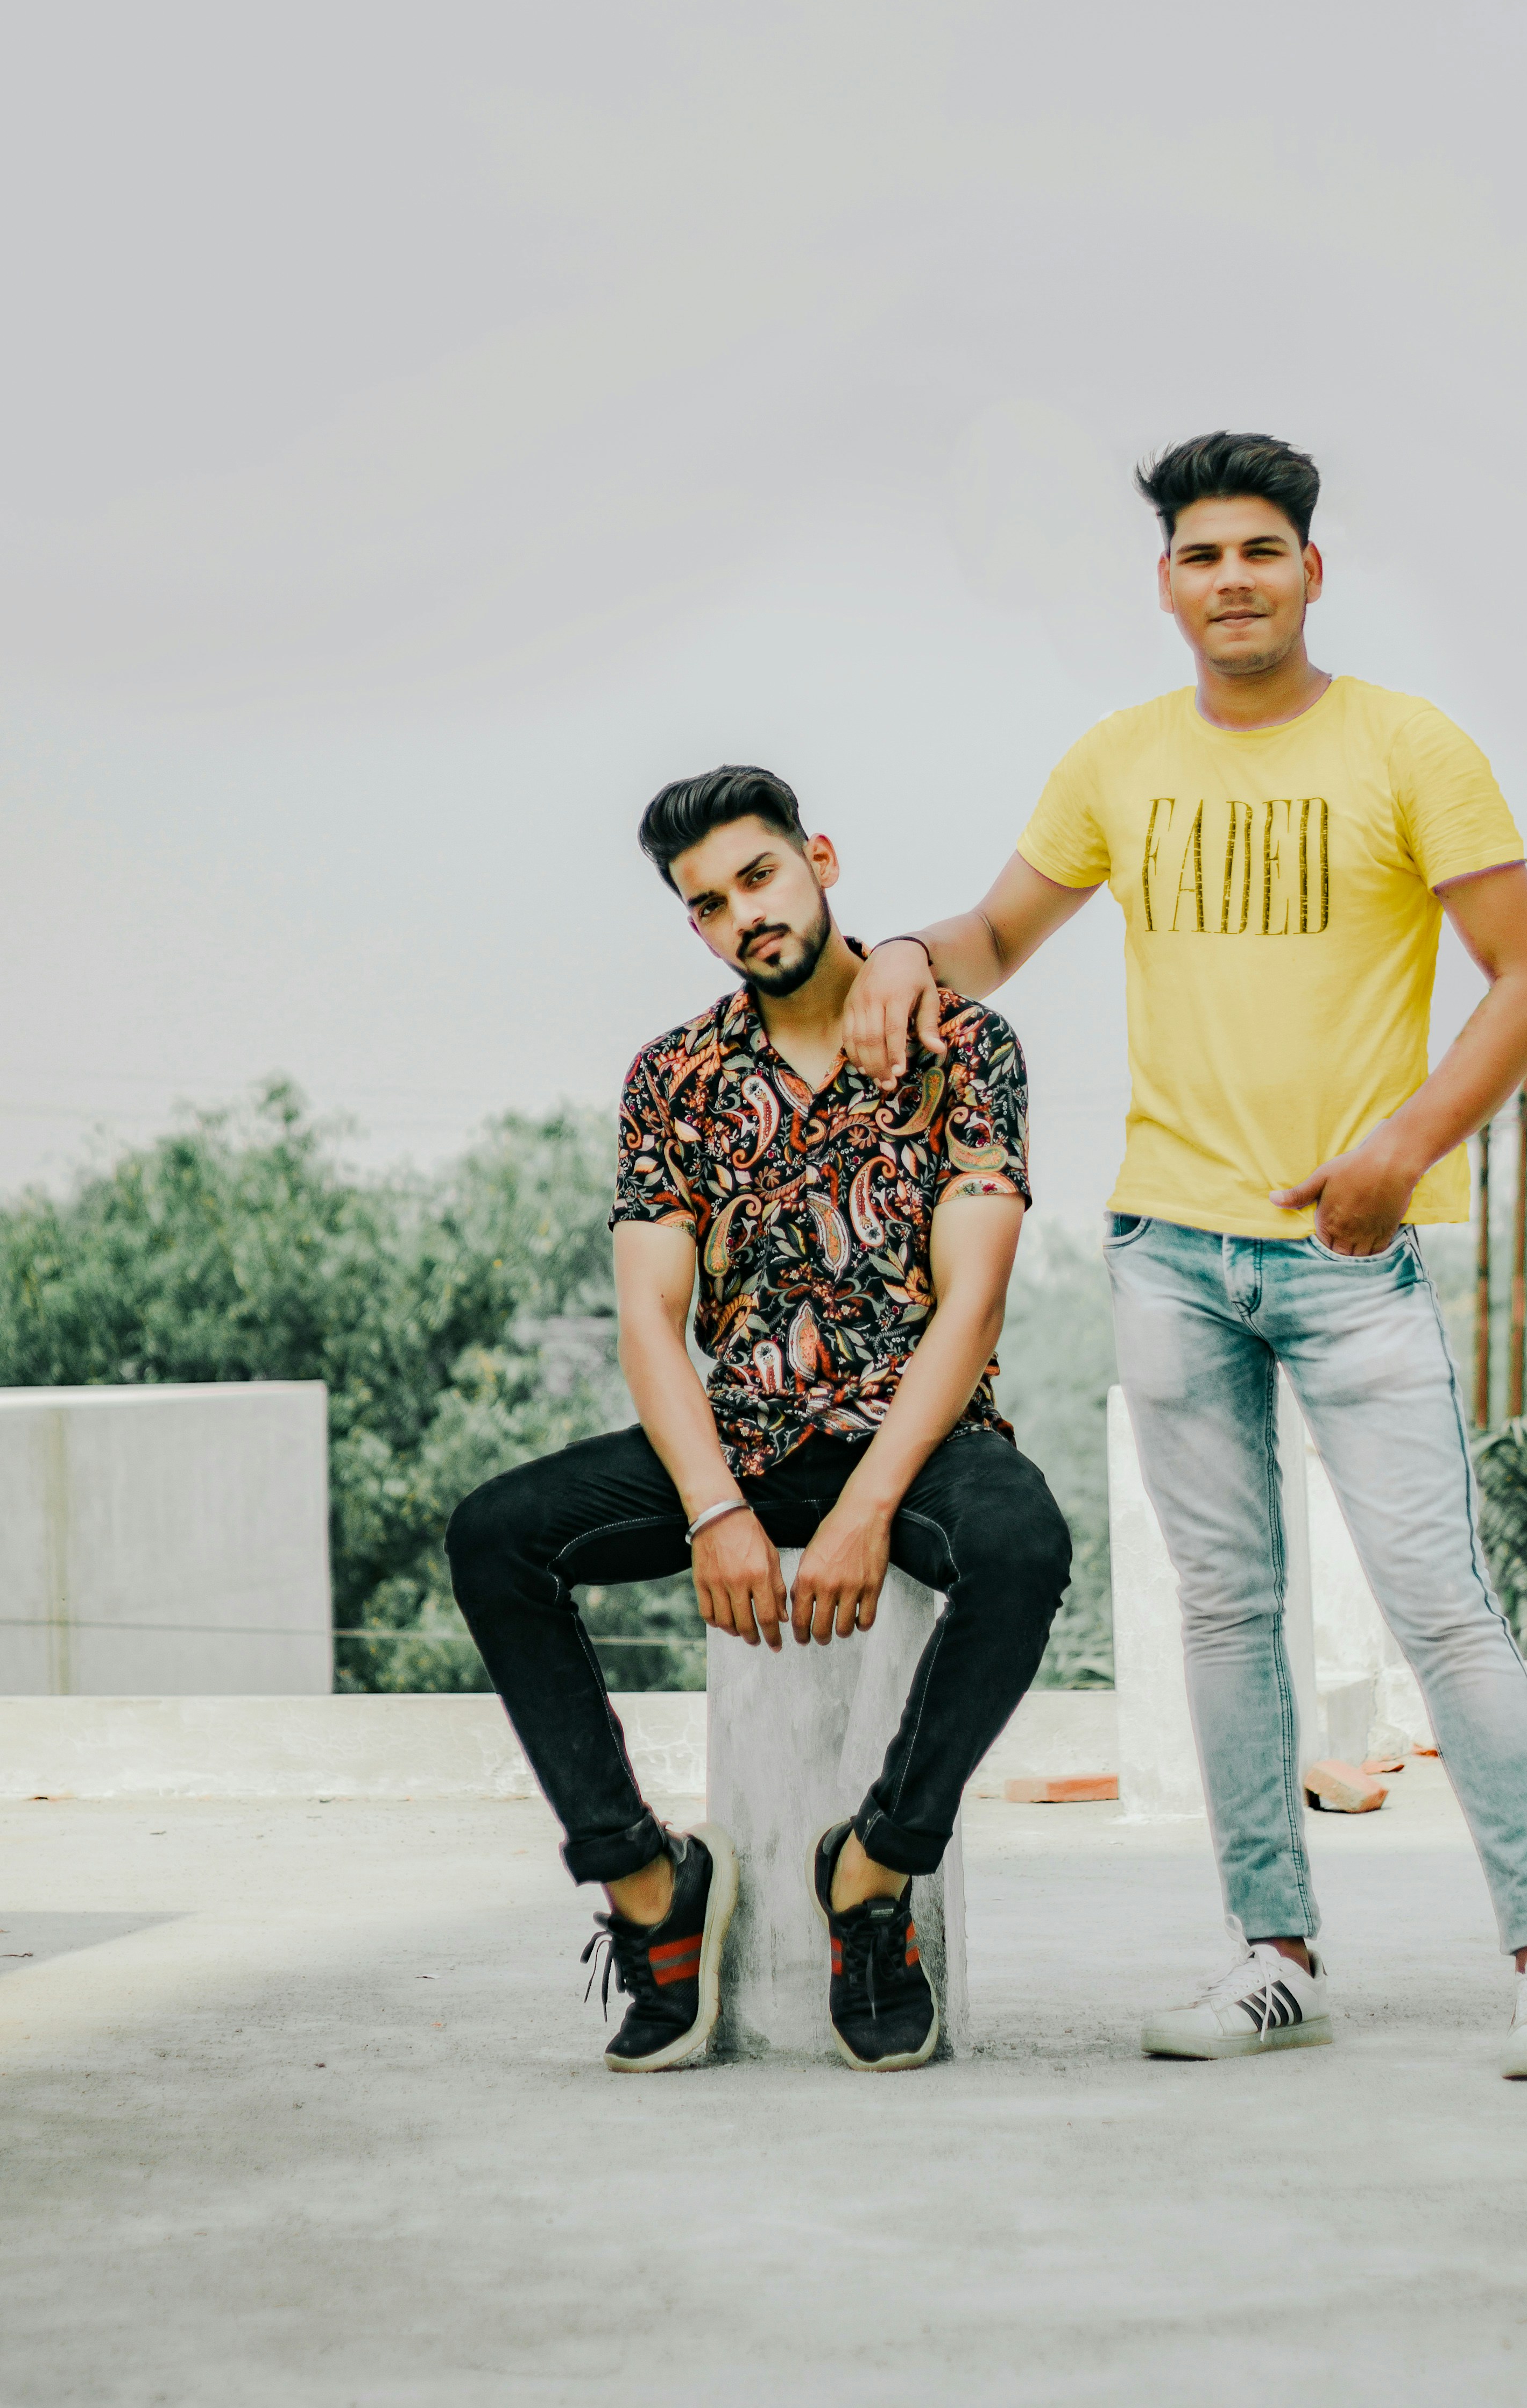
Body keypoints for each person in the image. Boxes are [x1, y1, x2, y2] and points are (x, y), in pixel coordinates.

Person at [844, 431, 1527, 2081]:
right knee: (1222, 1614)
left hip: (1348, 1256)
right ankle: (1270, 1955)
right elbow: (996, 936)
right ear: (1166, 583)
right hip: (1166, 1253)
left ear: (1309, 571)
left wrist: (1400, 1153)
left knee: (1440, 1608)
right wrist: (909, 946)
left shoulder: (1409, 747)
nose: (1231, 581)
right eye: (1200, 556)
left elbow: (1526, 981)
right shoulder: (1117, 760)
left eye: (1259, 550)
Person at [446, 765, 1070, 2074]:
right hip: (737, 1439)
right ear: (695, 927)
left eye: (761, 878)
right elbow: (647, 1319)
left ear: (821, 859)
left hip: (916, 1440)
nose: (745, 916)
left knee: (1023, 1547)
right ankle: (647, 1887)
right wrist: (717, 1509)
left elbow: (975, 1301)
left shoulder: (964, 1046)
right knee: (495, 1534)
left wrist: (867, 1507)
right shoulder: (672, 1077)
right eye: (711, 903)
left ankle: (876, 1871)